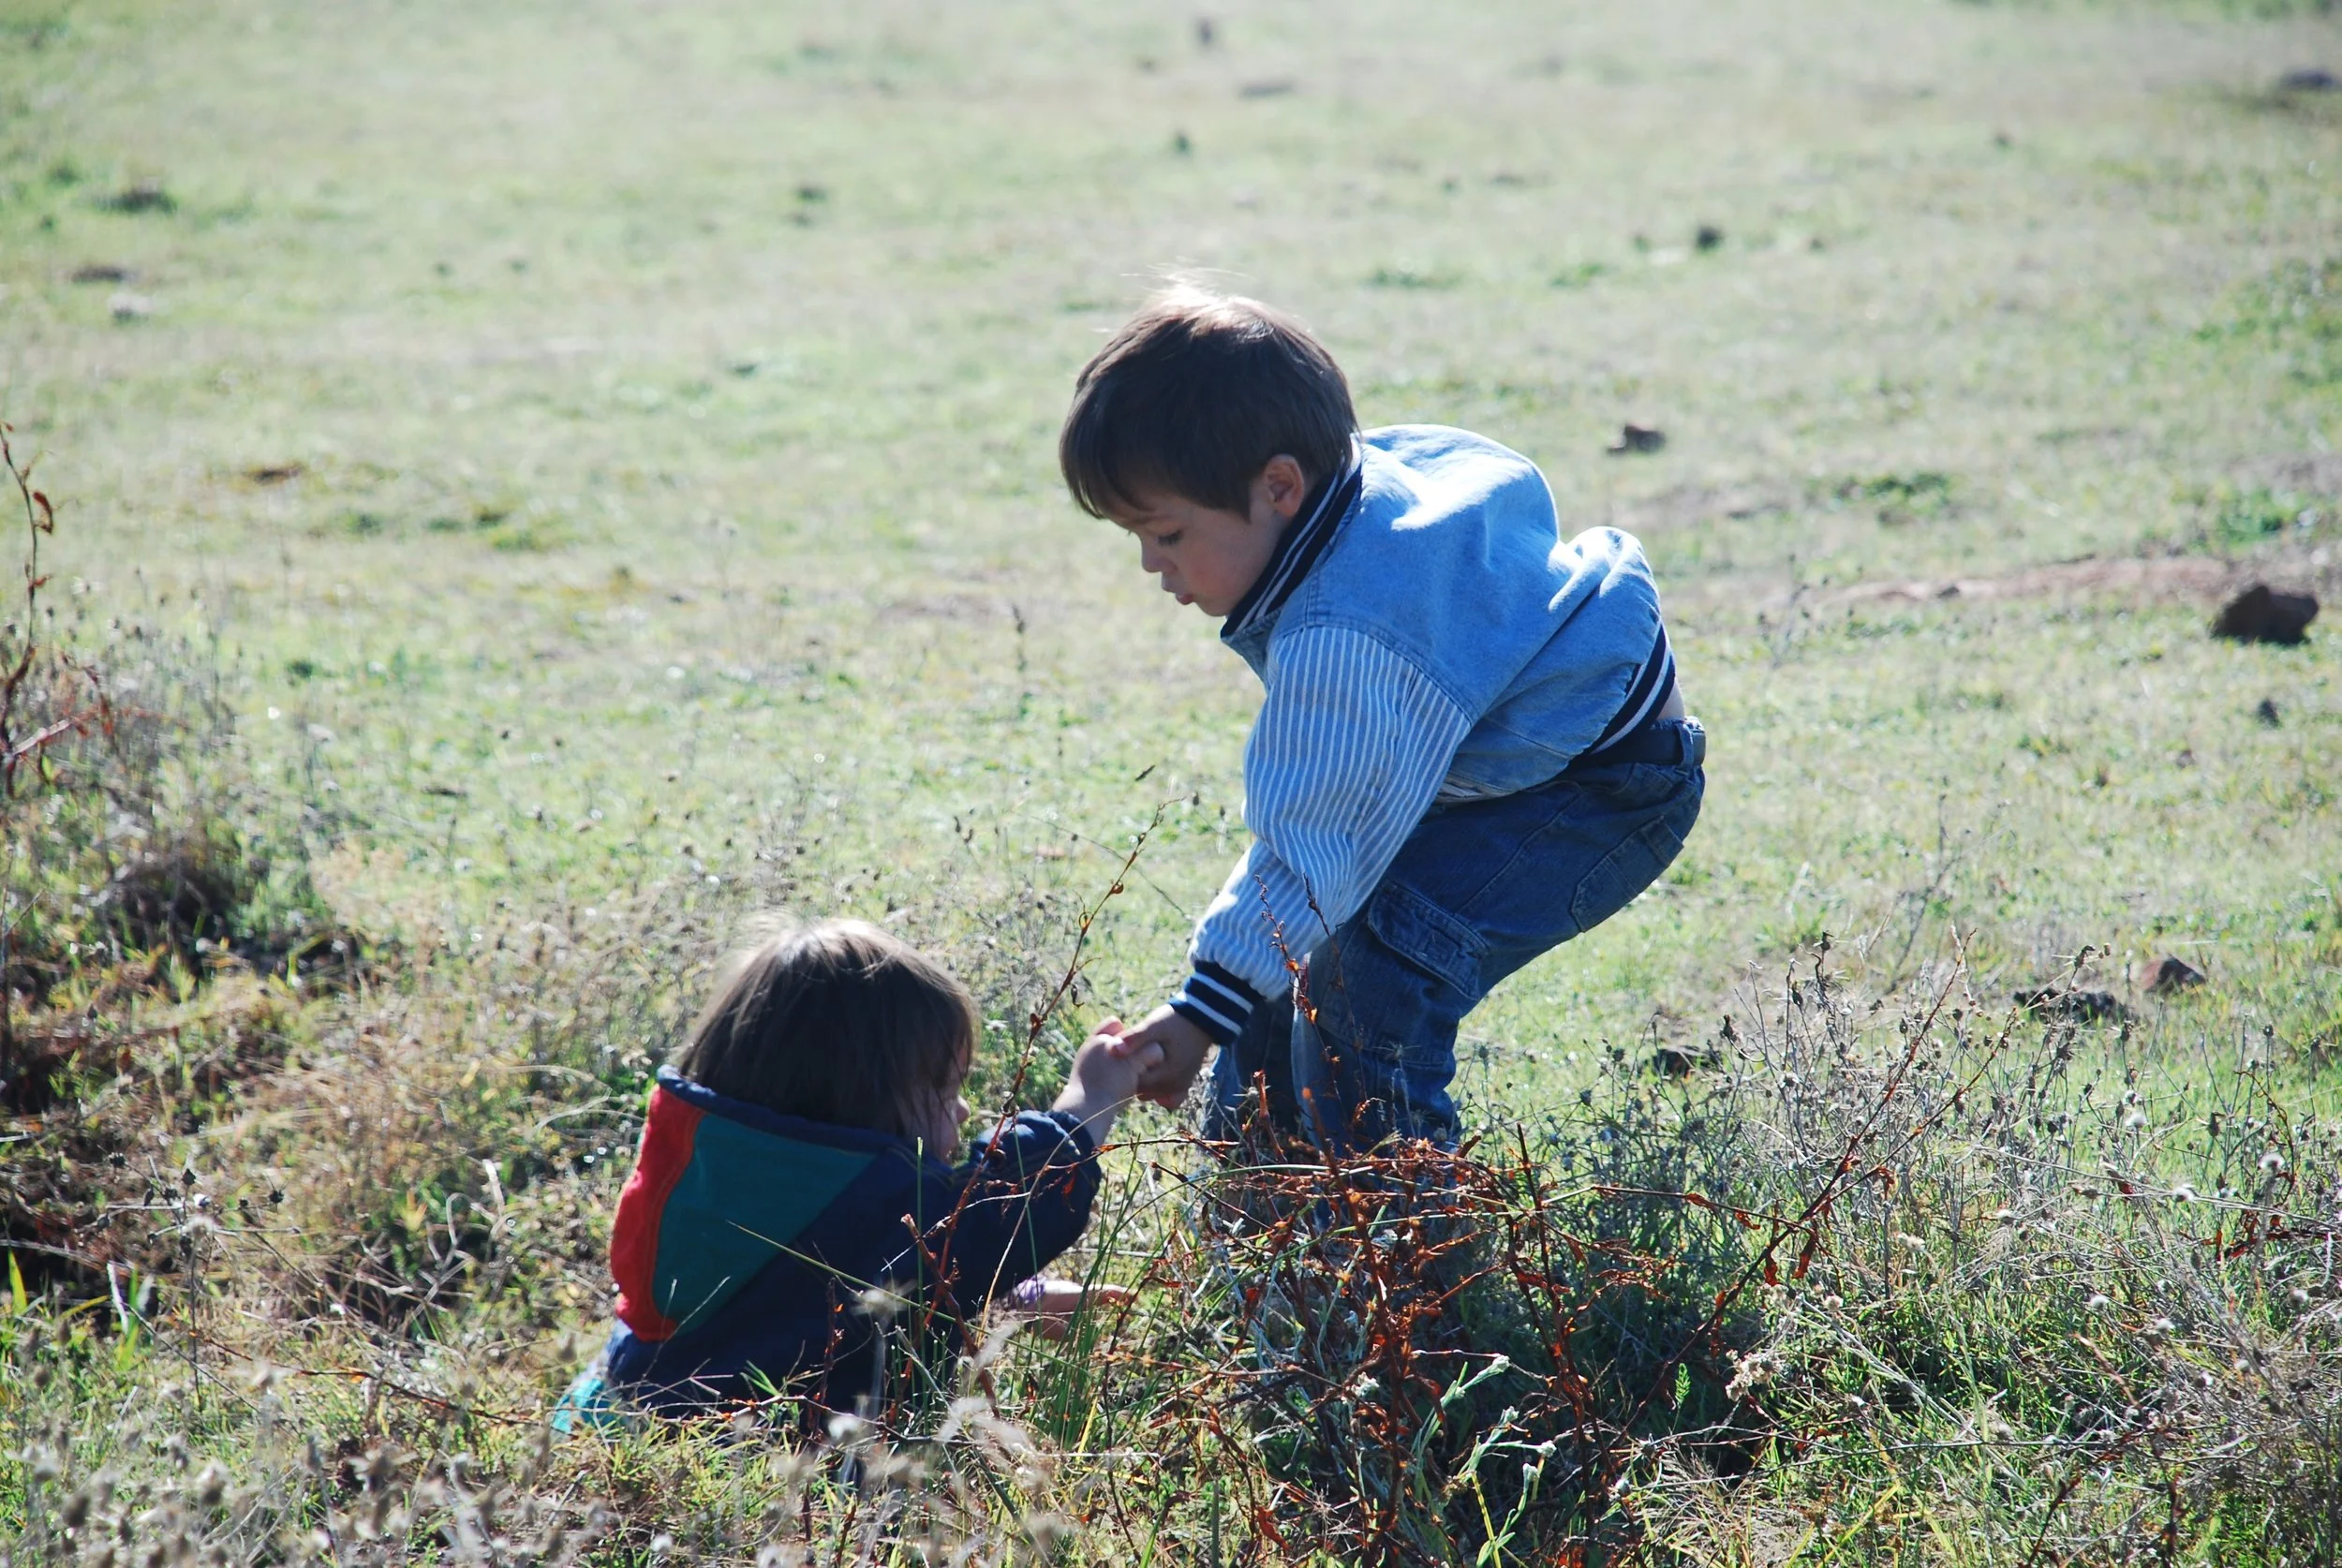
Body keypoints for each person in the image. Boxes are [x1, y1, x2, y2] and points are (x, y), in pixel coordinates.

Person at [1060, 286, 1704, 1152]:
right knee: (1283, 971)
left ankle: (1406, 1264)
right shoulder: (1353, 492)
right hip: (1540, 753)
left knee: (1371, 989)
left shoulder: (1348, 634)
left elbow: (1314, 844)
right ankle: (1266, 1236)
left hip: (1594, 791)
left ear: (1278, 486)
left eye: (1168, 534)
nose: (1149, 563)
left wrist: (1199, 1010)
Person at [557, 919, 1159, 1424]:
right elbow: (993, 1217)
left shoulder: (716, 1173)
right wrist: (1088, 1100)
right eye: (945, 1090)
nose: (964, 1111)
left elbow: (824, 1288)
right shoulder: (866, 1204)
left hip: (612, 1412)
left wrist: (1013, 1300)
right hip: (752, 1477)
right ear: (869, 1101)